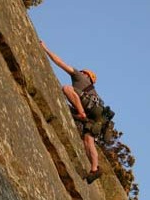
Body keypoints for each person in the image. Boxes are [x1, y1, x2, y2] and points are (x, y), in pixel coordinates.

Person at [40, 41, 102, 184]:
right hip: (99, 115)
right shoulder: (92, 91)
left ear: (85, 75)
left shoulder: (79, 77)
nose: (79, 72)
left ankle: (80, 113)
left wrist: (45, 48)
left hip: (89, 110)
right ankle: (94, 168)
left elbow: (59, 62)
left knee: (67, 89)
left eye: (82, 72)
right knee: (88, 140)